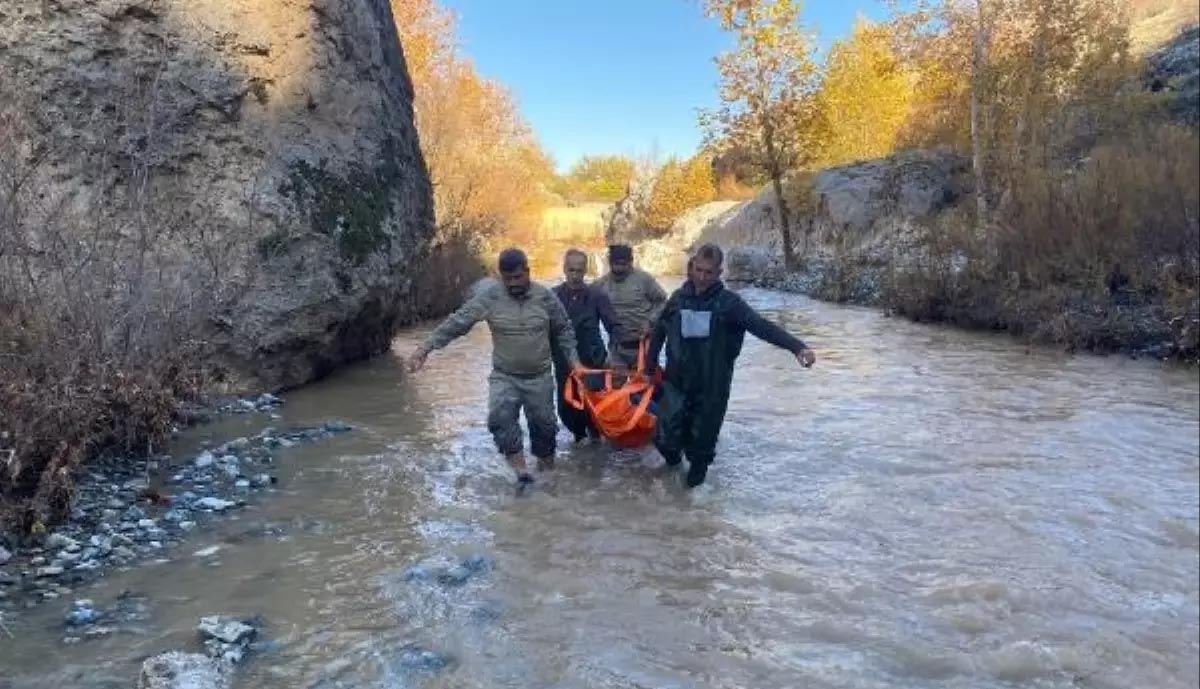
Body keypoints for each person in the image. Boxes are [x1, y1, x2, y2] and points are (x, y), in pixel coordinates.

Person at [647, 244, 816, 488]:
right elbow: (660, 330)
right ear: (692, 267)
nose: (702, 277)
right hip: (677, 383)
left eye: (709, 272)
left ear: (719, 272)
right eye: (699, 270)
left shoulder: (729, 304)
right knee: (665, 440)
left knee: (700, 454)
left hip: (712, 388)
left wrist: (797, 347)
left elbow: (761, 326)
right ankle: (672, 481)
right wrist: (649, 365)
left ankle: (691, 508)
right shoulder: (678, 299)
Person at [407, 248, 580, 485]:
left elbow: (564, 329)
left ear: (527, 272)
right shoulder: (490, 297)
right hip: (505, 376)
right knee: (499, 419)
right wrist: (424, 349)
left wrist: (575, 363)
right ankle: (521, 472)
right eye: (507, 279)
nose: (513, 283)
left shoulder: (545, 297)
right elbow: (458, 322)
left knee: (546, 427)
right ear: (501, 277)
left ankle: (547, 472)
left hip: (539, 377)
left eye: (518, 277)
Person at [551, 249, 624, 444]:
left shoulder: (597, 295)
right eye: (571, 270)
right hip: (564, 362)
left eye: (580, 271)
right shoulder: (552, 296)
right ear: (565, 269)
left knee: (593, 412)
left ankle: (595, 452)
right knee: (566, 411)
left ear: (585, 271)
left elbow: (614, 326)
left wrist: (614, 354)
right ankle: (579, 446)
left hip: (593, 361)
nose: (575, 276)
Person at [595, 243, 667, 370]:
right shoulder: (601, 285)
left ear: (631, 263)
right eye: (616, 264)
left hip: (643, 344)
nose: (619, 268)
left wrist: (650, 321)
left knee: (644, 384)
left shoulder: (644, 280)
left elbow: (663, 302)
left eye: (623, 264)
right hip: (617, 347)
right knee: (616, 384)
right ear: (610, 263)